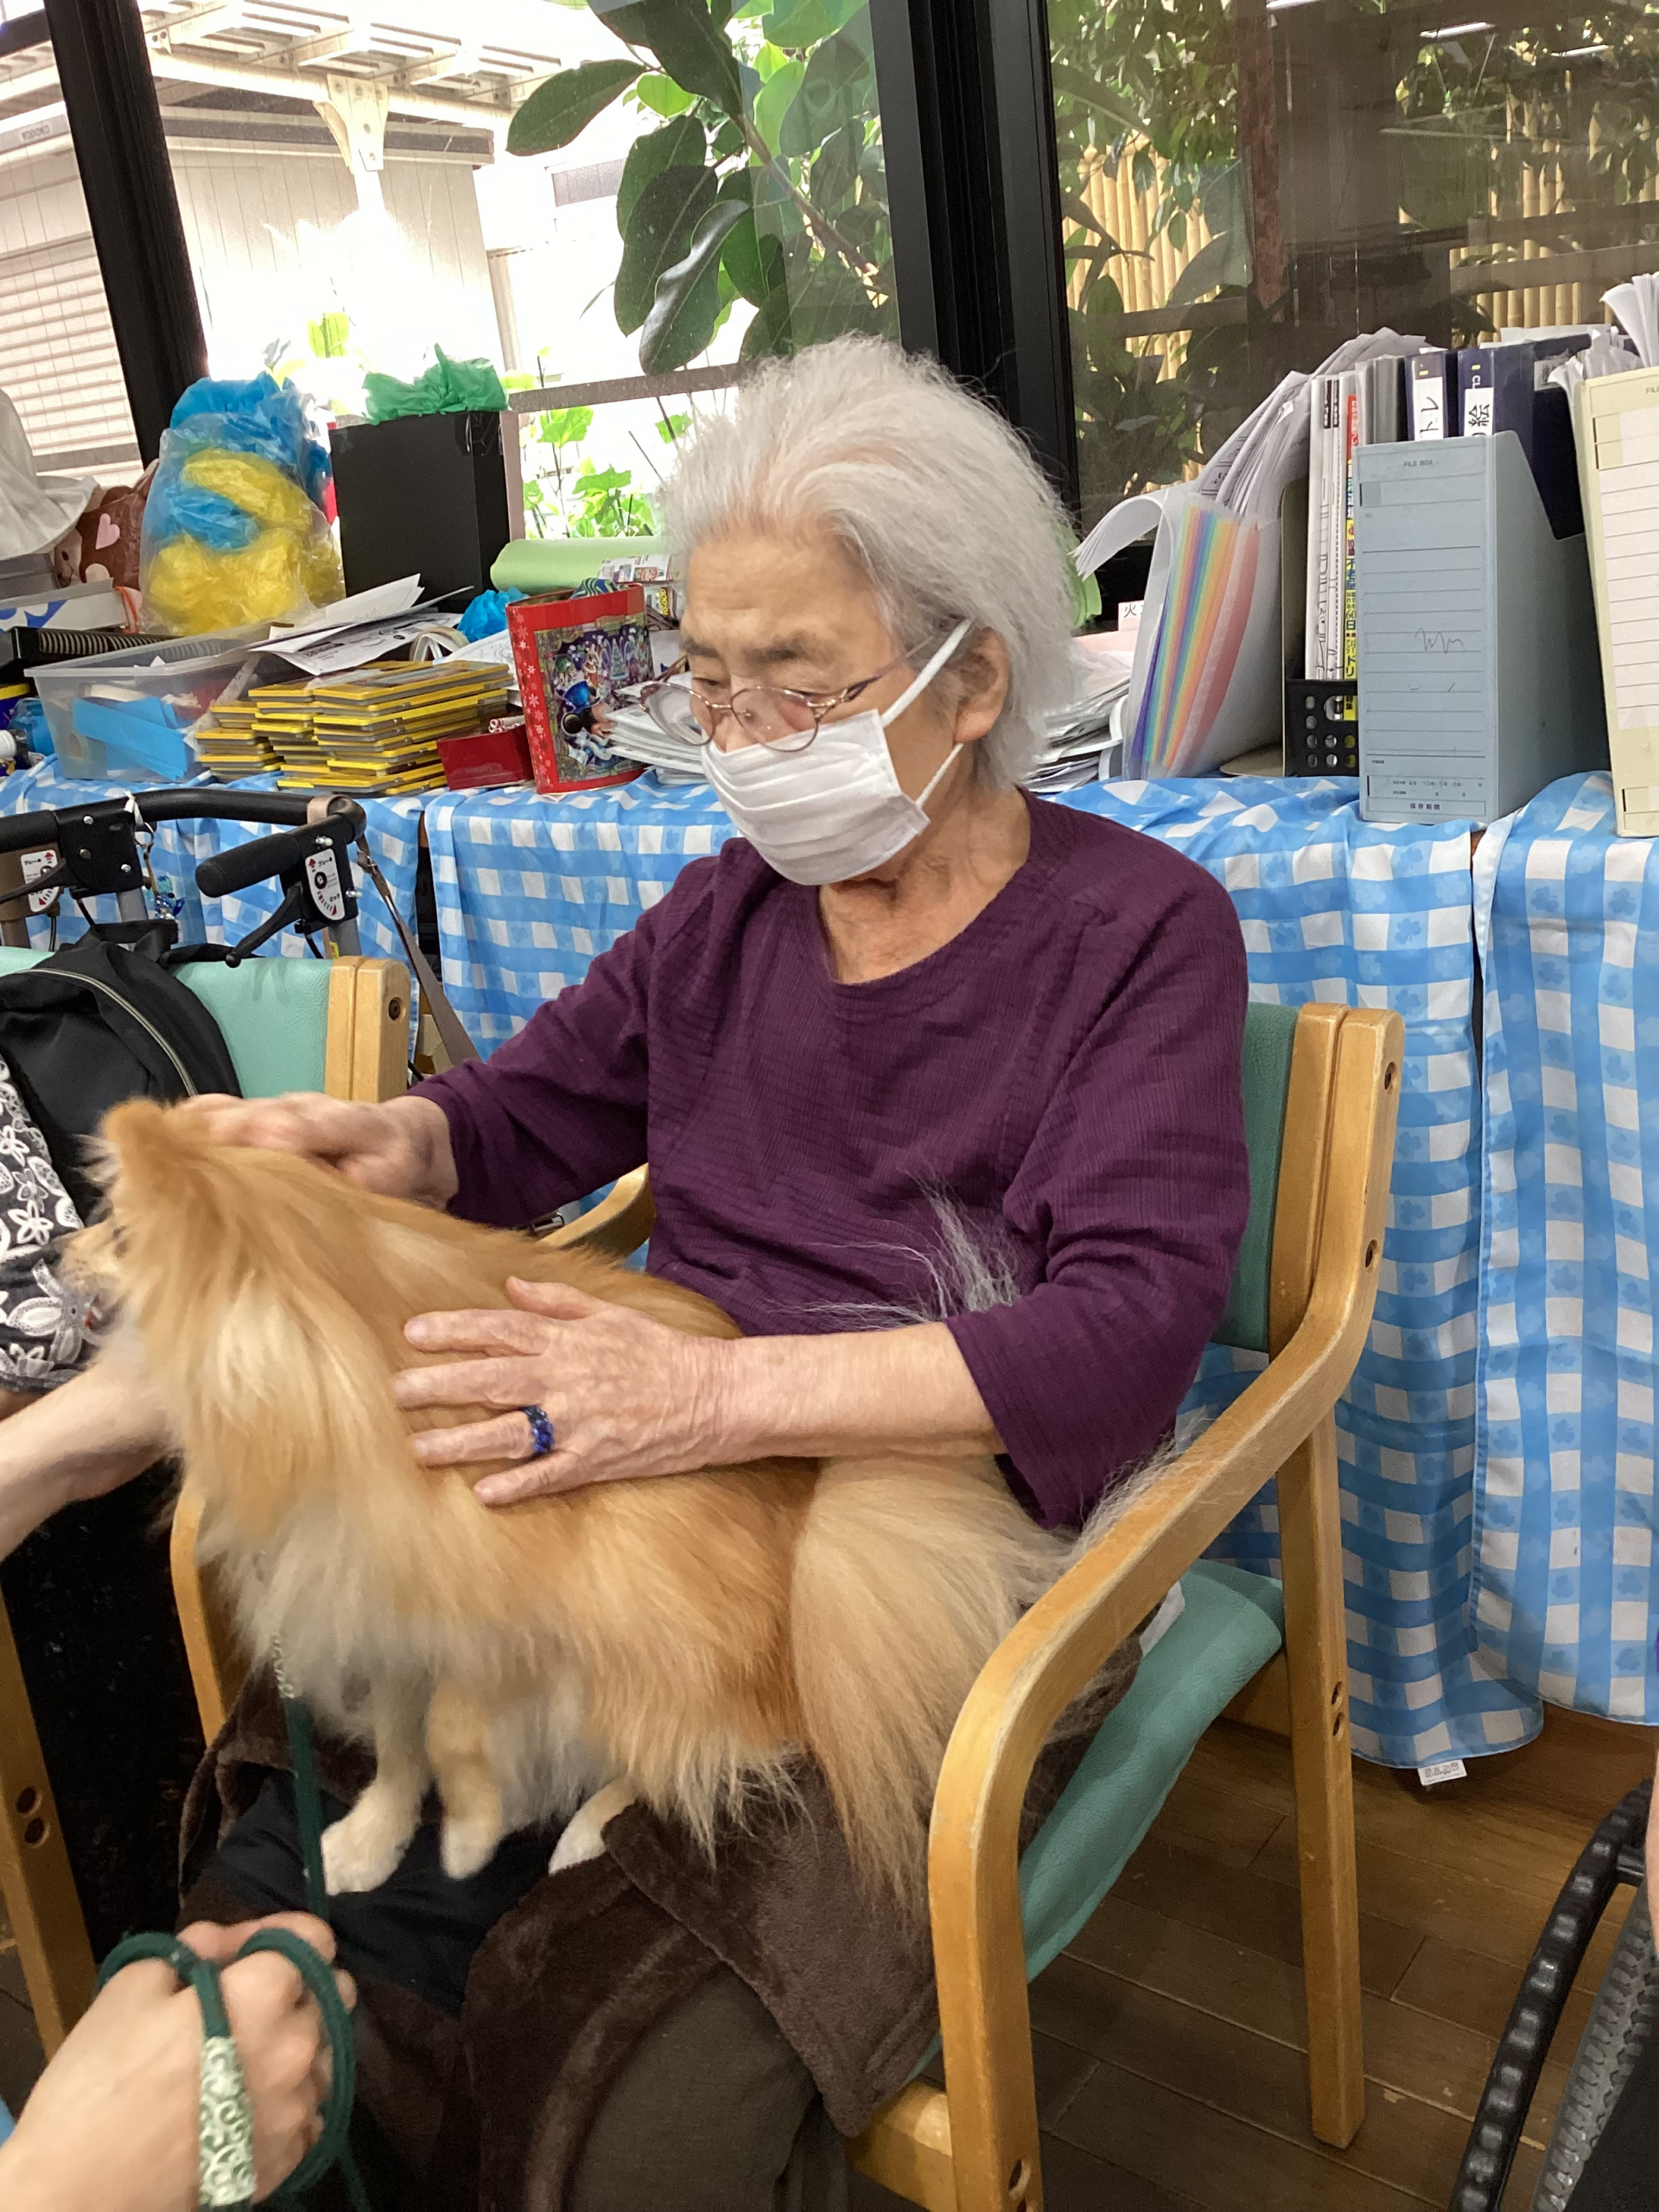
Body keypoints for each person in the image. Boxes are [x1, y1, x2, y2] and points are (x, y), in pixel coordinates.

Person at [1, 336, 1251, 2207]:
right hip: (629, 1475)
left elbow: (1125, 1338)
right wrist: (400, 1143)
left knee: (627, 2101)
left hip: (917, 1555)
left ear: (975, 675)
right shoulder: (727, 911)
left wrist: (711, 1395)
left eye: (796, 682)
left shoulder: (1142, 935)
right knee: (278, 1927)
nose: (738, 734)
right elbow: (526, 1114)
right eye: (709, 677)